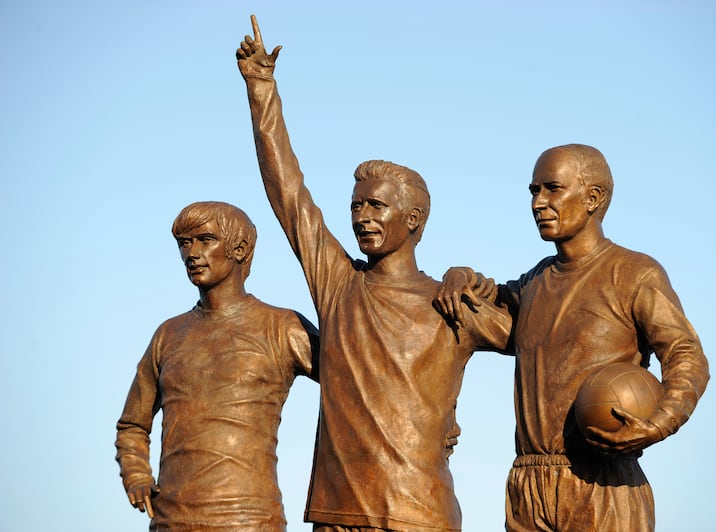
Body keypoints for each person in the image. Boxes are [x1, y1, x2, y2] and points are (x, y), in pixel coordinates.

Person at [236, 15, 512, 531]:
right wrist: (261, 90)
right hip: (337, 513)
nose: (362, 216)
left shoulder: (452, 303)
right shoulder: (340, 286)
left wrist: (473, 277)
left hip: (419, 516)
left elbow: (539, 339)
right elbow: (289, 194)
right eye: (357, 206)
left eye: (377, 206)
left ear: (413, 220)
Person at [435, 144, 710, 531]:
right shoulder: (533, 283)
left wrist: (661, 421)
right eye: (533, 191)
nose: (538, 203)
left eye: (552, 188)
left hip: (603, 482)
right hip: (528, 486)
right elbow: (487, 296)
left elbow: (686, 353)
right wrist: (461, 273)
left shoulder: (634, 273)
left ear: (593, 198)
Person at [115, 201, 319, 531]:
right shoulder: (168, 334)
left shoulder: (282, 327)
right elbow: (132, 425)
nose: (191, 254)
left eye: (205, 240)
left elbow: (356, 379)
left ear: (239, 249)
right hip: (172, 521)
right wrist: (136, 474)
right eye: (184, 243)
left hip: (250, 520)